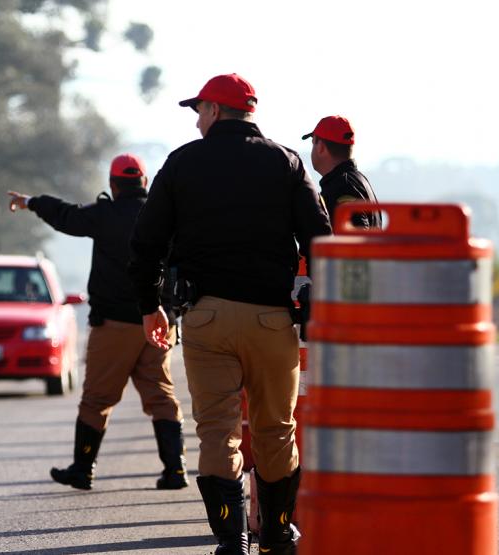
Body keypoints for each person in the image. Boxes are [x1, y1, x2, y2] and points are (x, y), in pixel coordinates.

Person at [128, 73, 332, 554]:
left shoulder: (181, 163)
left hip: (207, 318)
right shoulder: (286, 161)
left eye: (199, 110)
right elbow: (321, 238)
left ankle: (232, 540)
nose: (197, 121)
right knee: (276, 429)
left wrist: (149, 307)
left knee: (218, 431)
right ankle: (279, 533)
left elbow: (146, 244)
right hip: (272, 320)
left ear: (216, 111)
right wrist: (315, 303)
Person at [7, 154, 188, 491]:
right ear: (145, 183)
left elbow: (67, 216)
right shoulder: (165, 215)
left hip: (115, 325)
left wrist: (32, 202)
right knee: (161, 397)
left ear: (113, 184)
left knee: (97, 400)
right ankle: (175, 470)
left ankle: (82, 469)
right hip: (161, 323)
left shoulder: (105, 215)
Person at [303, 115, 380, 229]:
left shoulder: (341, 186)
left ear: (321, 147)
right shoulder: (358, 180)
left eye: (313, 143)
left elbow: (355, 238)